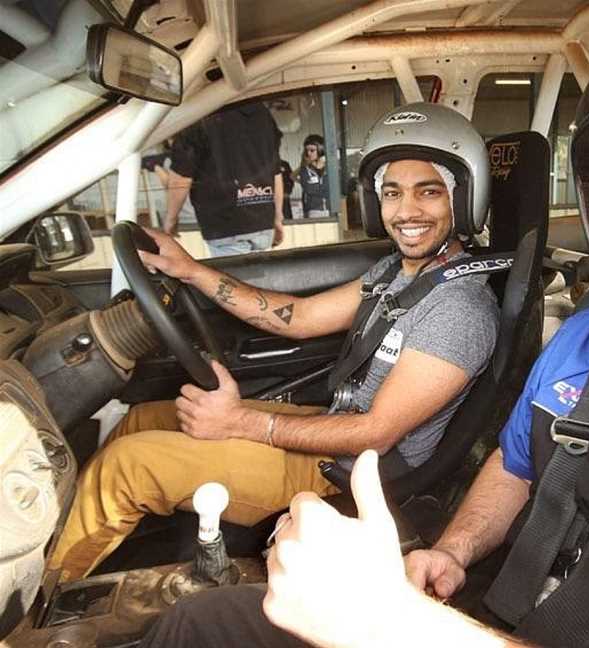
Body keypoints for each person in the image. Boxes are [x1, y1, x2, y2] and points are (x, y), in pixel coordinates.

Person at [141, 17, 589, 648]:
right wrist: (453, 550)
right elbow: (516, 466)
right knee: (197, 626)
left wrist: (389, 625)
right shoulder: (587, 335)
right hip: (493, 613)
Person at [49, 103, 500, 582]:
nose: (406, 211)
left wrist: (240, 421)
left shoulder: (459, 308)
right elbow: (299, 318)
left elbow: (376, 433)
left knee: (124, 466)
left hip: (349, 471)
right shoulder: (397, 272)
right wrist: (192, 270)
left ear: (462, 197)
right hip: (335, 428)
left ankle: (41, 597)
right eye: (392, 193)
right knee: (142, 417)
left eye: (427, 193)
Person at [160, 102, 286, 257]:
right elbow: (275, 171)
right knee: (257, 279)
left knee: (235, 279)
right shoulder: (261, 112)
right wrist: (277, 217)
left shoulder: (199, 115)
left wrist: (170, 220)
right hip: (263, 221)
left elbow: (181, 178)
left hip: (227, 223)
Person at [297, 134, 329, 218]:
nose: (309, 153)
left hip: (330, 209)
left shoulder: (330, 169)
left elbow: (333, 189)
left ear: (321, 149)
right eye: (307, 150)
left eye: (312, 150)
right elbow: (309, 189)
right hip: (313, 211)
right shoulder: (305, 170)